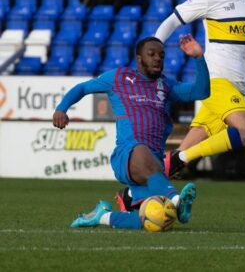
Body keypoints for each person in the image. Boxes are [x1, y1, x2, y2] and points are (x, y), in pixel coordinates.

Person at [114, 0, 245, 210]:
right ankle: (182, 159)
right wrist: (152, 53)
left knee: (175, 159)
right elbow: (172, 20)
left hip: (238, 86)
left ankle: (131, 197)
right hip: (216, 81)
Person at [53, 35, 210, 230]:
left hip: (153, 164)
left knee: (155, 219)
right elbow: (84, 87)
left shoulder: (166, 85)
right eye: (151, 54)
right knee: (141, 150)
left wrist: (198, 57)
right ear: (139, 58)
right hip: (127, 154)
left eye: (161, 55)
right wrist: (62, 108)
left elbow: (201, 92)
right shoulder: (118, 77)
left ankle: (102, 216)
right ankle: (177, 201)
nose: (157, 58)